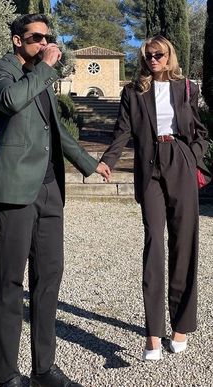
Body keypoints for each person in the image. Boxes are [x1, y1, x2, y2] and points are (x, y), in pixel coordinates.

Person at [0, 13, 110, 387]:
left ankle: (43, 369)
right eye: (37, 37)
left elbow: (59, 133)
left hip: (50, 189)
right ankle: (6, 373)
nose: (45, 43)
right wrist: (47, 68)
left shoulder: (42, 80)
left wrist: (89, 163)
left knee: (48, 278)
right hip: (15, 188)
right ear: (18, 40)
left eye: (48, 38)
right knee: (8, 282)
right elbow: (10, 101)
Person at [100, 35, 211, 360]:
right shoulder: (133, 92)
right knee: (154, 244)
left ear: (169, 55)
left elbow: (200, 131)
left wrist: (193, 155)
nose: (153, 59)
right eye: (148, 55)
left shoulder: (186, 87)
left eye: (159, 54)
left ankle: (180, 327)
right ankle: (152, 333)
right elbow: (122, 130)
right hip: (149, 167)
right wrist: (108, 160)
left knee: (184, 243)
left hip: (180, 159)